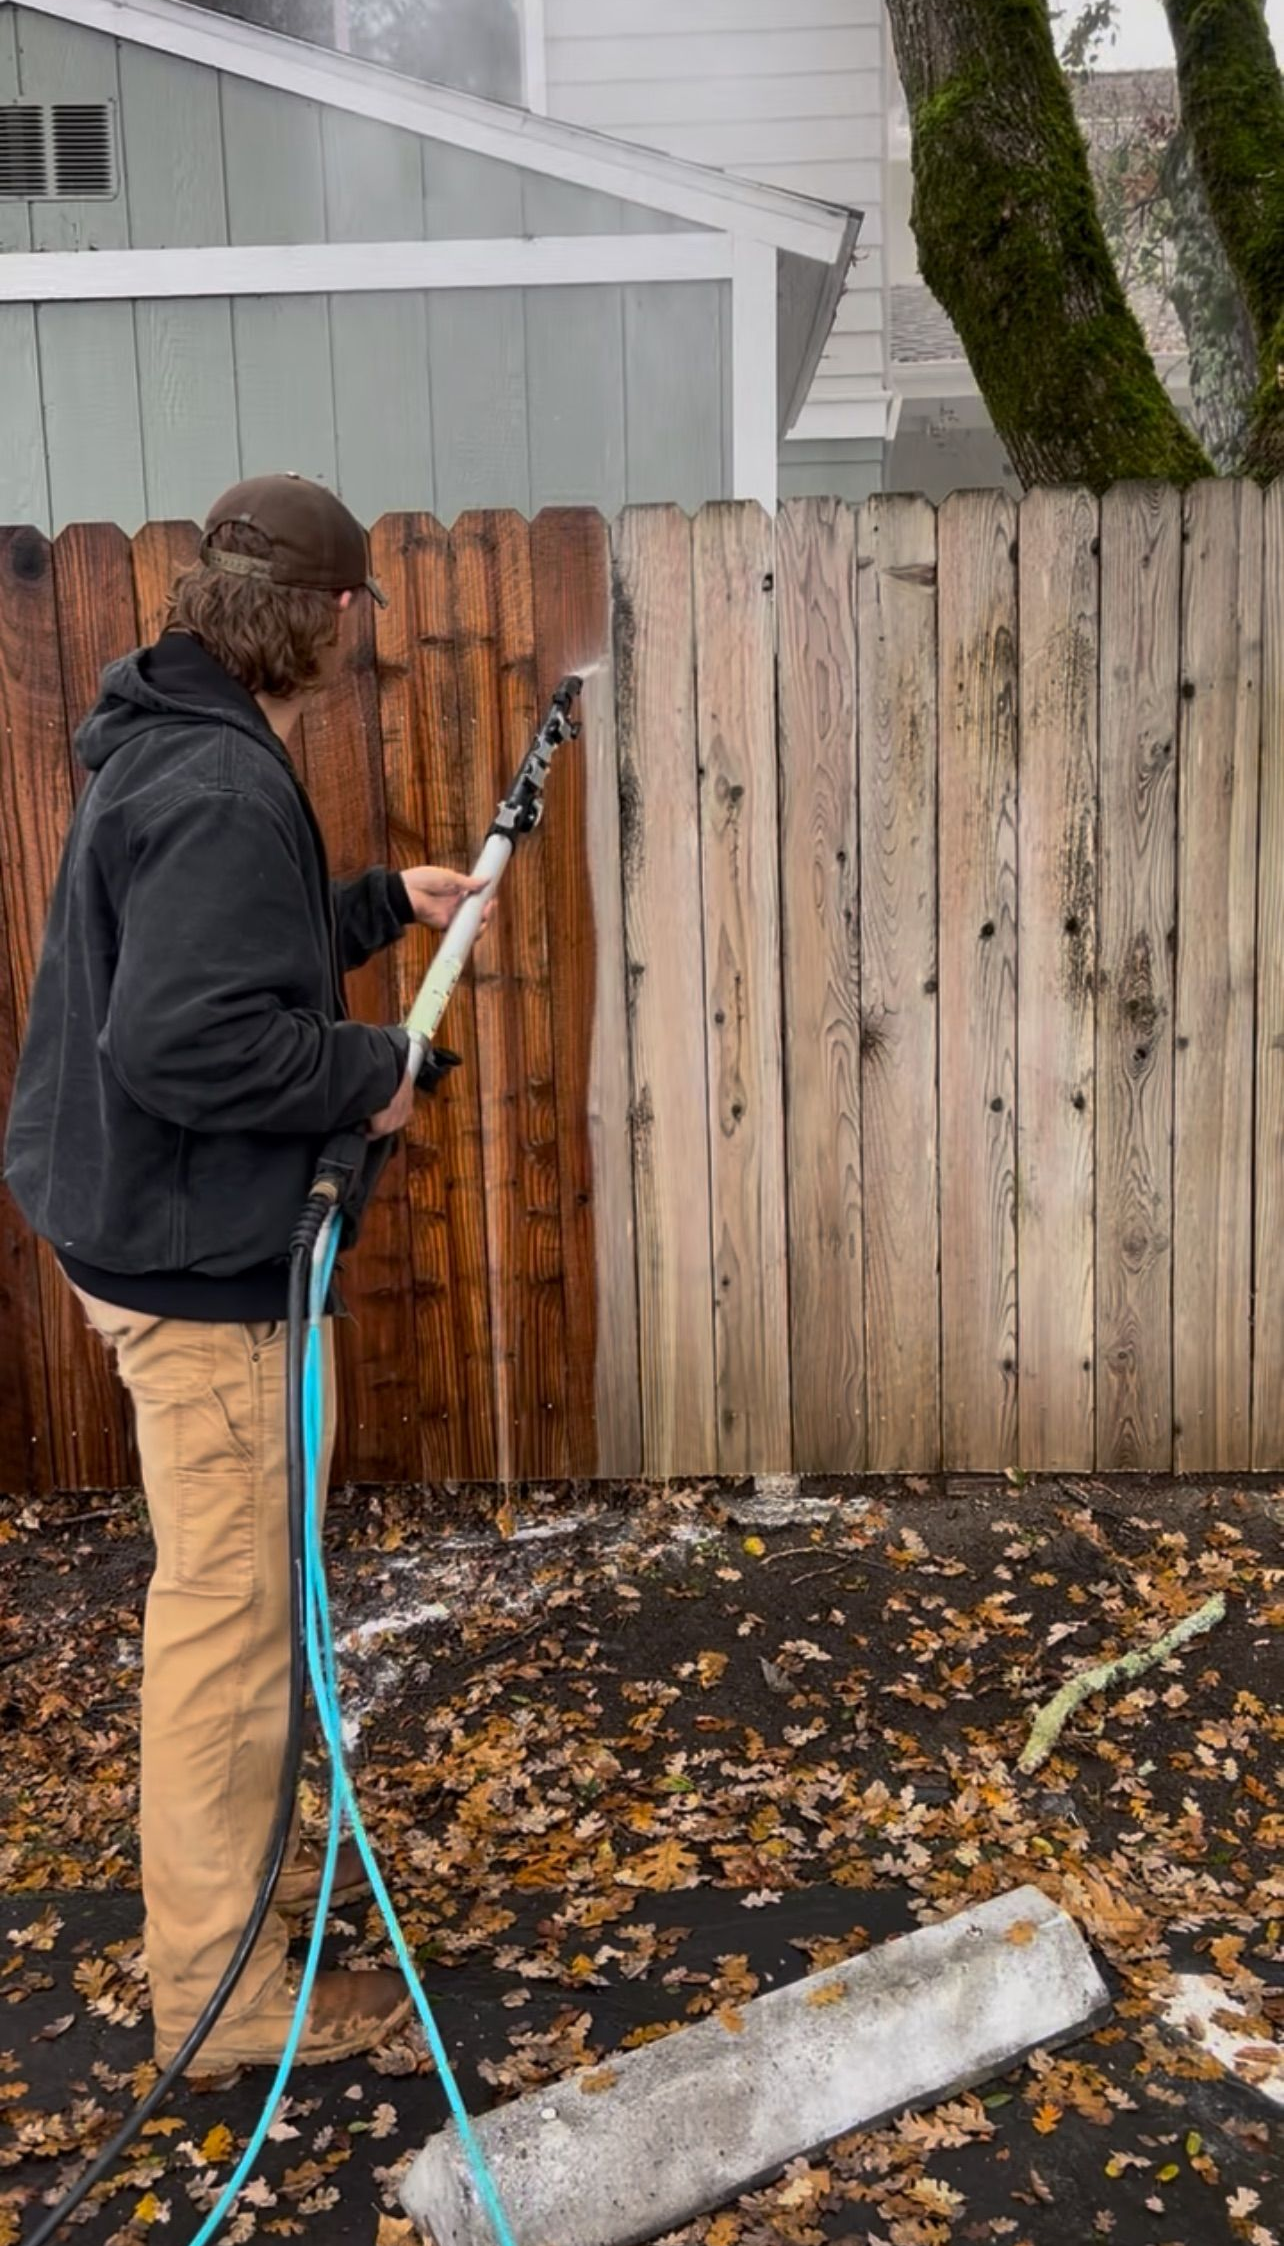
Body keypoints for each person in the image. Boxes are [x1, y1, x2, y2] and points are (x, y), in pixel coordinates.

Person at [3, 475, 488, 2073]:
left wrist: (367, 906)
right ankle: (223, 2002)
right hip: (194, 1267)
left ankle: (257, 1893)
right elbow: (187, 1033)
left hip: (154, 1229)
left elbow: (212, 950)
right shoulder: (212, 779)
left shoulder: (174, 736)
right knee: (226, 1622)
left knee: (258, 1591)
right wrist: (368, 1069)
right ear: (336, 616)